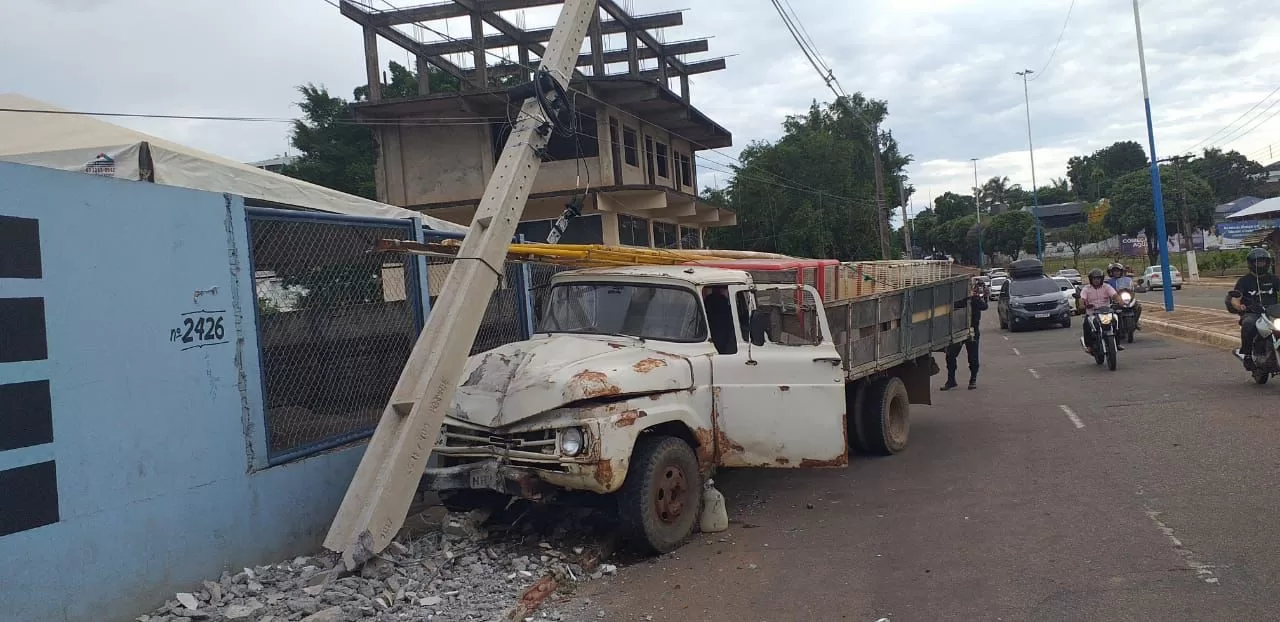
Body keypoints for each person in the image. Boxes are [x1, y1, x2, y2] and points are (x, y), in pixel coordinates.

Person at [1232, 248, 1280, 368]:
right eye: (1257, 262)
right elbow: (1235, 298)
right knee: (1248, 324)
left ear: (1268, 262)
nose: (1260, 264)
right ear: (1251, 263)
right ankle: (1246, 355)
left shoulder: (1273, 279)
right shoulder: (1244, 281)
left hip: (1273, 312)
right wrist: (1239, 305)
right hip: (1252, 313)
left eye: (1263, 261)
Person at [941, 281, 989, 390]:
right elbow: (984, 306)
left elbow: (984, 307)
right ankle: (952, 380)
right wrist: (984, 296)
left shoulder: (973, 299)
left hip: (971, 331)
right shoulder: (964, 299)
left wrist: (983, 296)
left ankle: (971, 380)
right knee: (951, 355)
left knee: (971, 357)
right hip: (959, 331)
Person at [1079, 268, 1122, 353]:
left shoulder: (1106, 287)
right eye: (1094, 278)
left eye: (1098, 278)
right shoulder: (1086, 289)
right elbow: (1082, 298)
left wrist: (1120, 301)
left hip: (1106, 311)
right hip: (1092, 313)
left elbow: (1114, 295)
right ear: (1091, 279)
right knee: (1086, 324)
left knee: (1117, 319)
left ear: (1101, 279)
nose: (1096, 280)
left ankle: (1117, 343)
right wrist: (1081, 304)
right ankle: (1089, 346)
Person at [1105, 261, 1141, 330]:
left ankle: (1136, 322)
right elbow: (1107, 290)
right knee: (1111, 311)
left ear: (1121, 272)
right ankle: (1113, 326)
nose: (1116, 273)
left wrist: (1135, 287)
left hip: (1126, 298)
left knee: (1138, 306)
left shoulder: (1127, 279)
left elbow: (1131, 286)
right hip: (1115, 300)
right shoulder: (1109, 281)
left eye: (1118, 271)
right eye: (1115, 271)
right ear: (1112, 272)